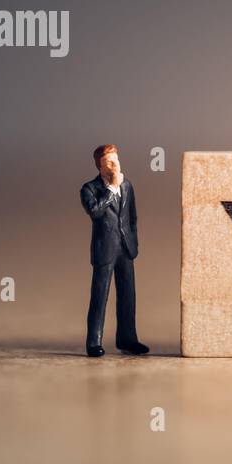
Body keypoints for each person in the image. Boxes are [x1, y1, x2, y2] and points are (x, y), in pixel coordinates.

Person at [80, 144, 149, 357]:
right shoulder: (89, 189)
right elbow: (95, 211)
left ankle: (128, 339)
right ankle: (94, 342)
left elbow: (132, 217)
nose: (114, 165)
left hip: (125, 248)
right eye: (109, 162)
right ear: (99, 166)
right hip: (106, 249)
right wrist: (110, 189)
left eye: (116, 160)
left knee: (128, 295)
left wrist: (134, 242)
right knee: (100, 296)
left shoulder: (127, 186)